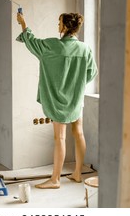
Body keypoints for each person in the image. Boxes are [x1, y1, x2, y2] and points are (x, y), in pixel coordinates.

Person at [16, 12, 98, 189]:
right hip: (76, 99)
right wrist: (76, 85)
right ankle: (77, 173)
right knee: (79, 133)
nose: (57, 25)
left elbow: (31, 41)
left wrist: (23, 23)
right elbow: (92, 73)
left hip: (58, 101)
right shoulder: (85, 49)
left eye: (59, 22)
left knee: (60, 137)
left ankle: (55, 179)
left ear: (66, 26)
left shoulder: (52, 46)